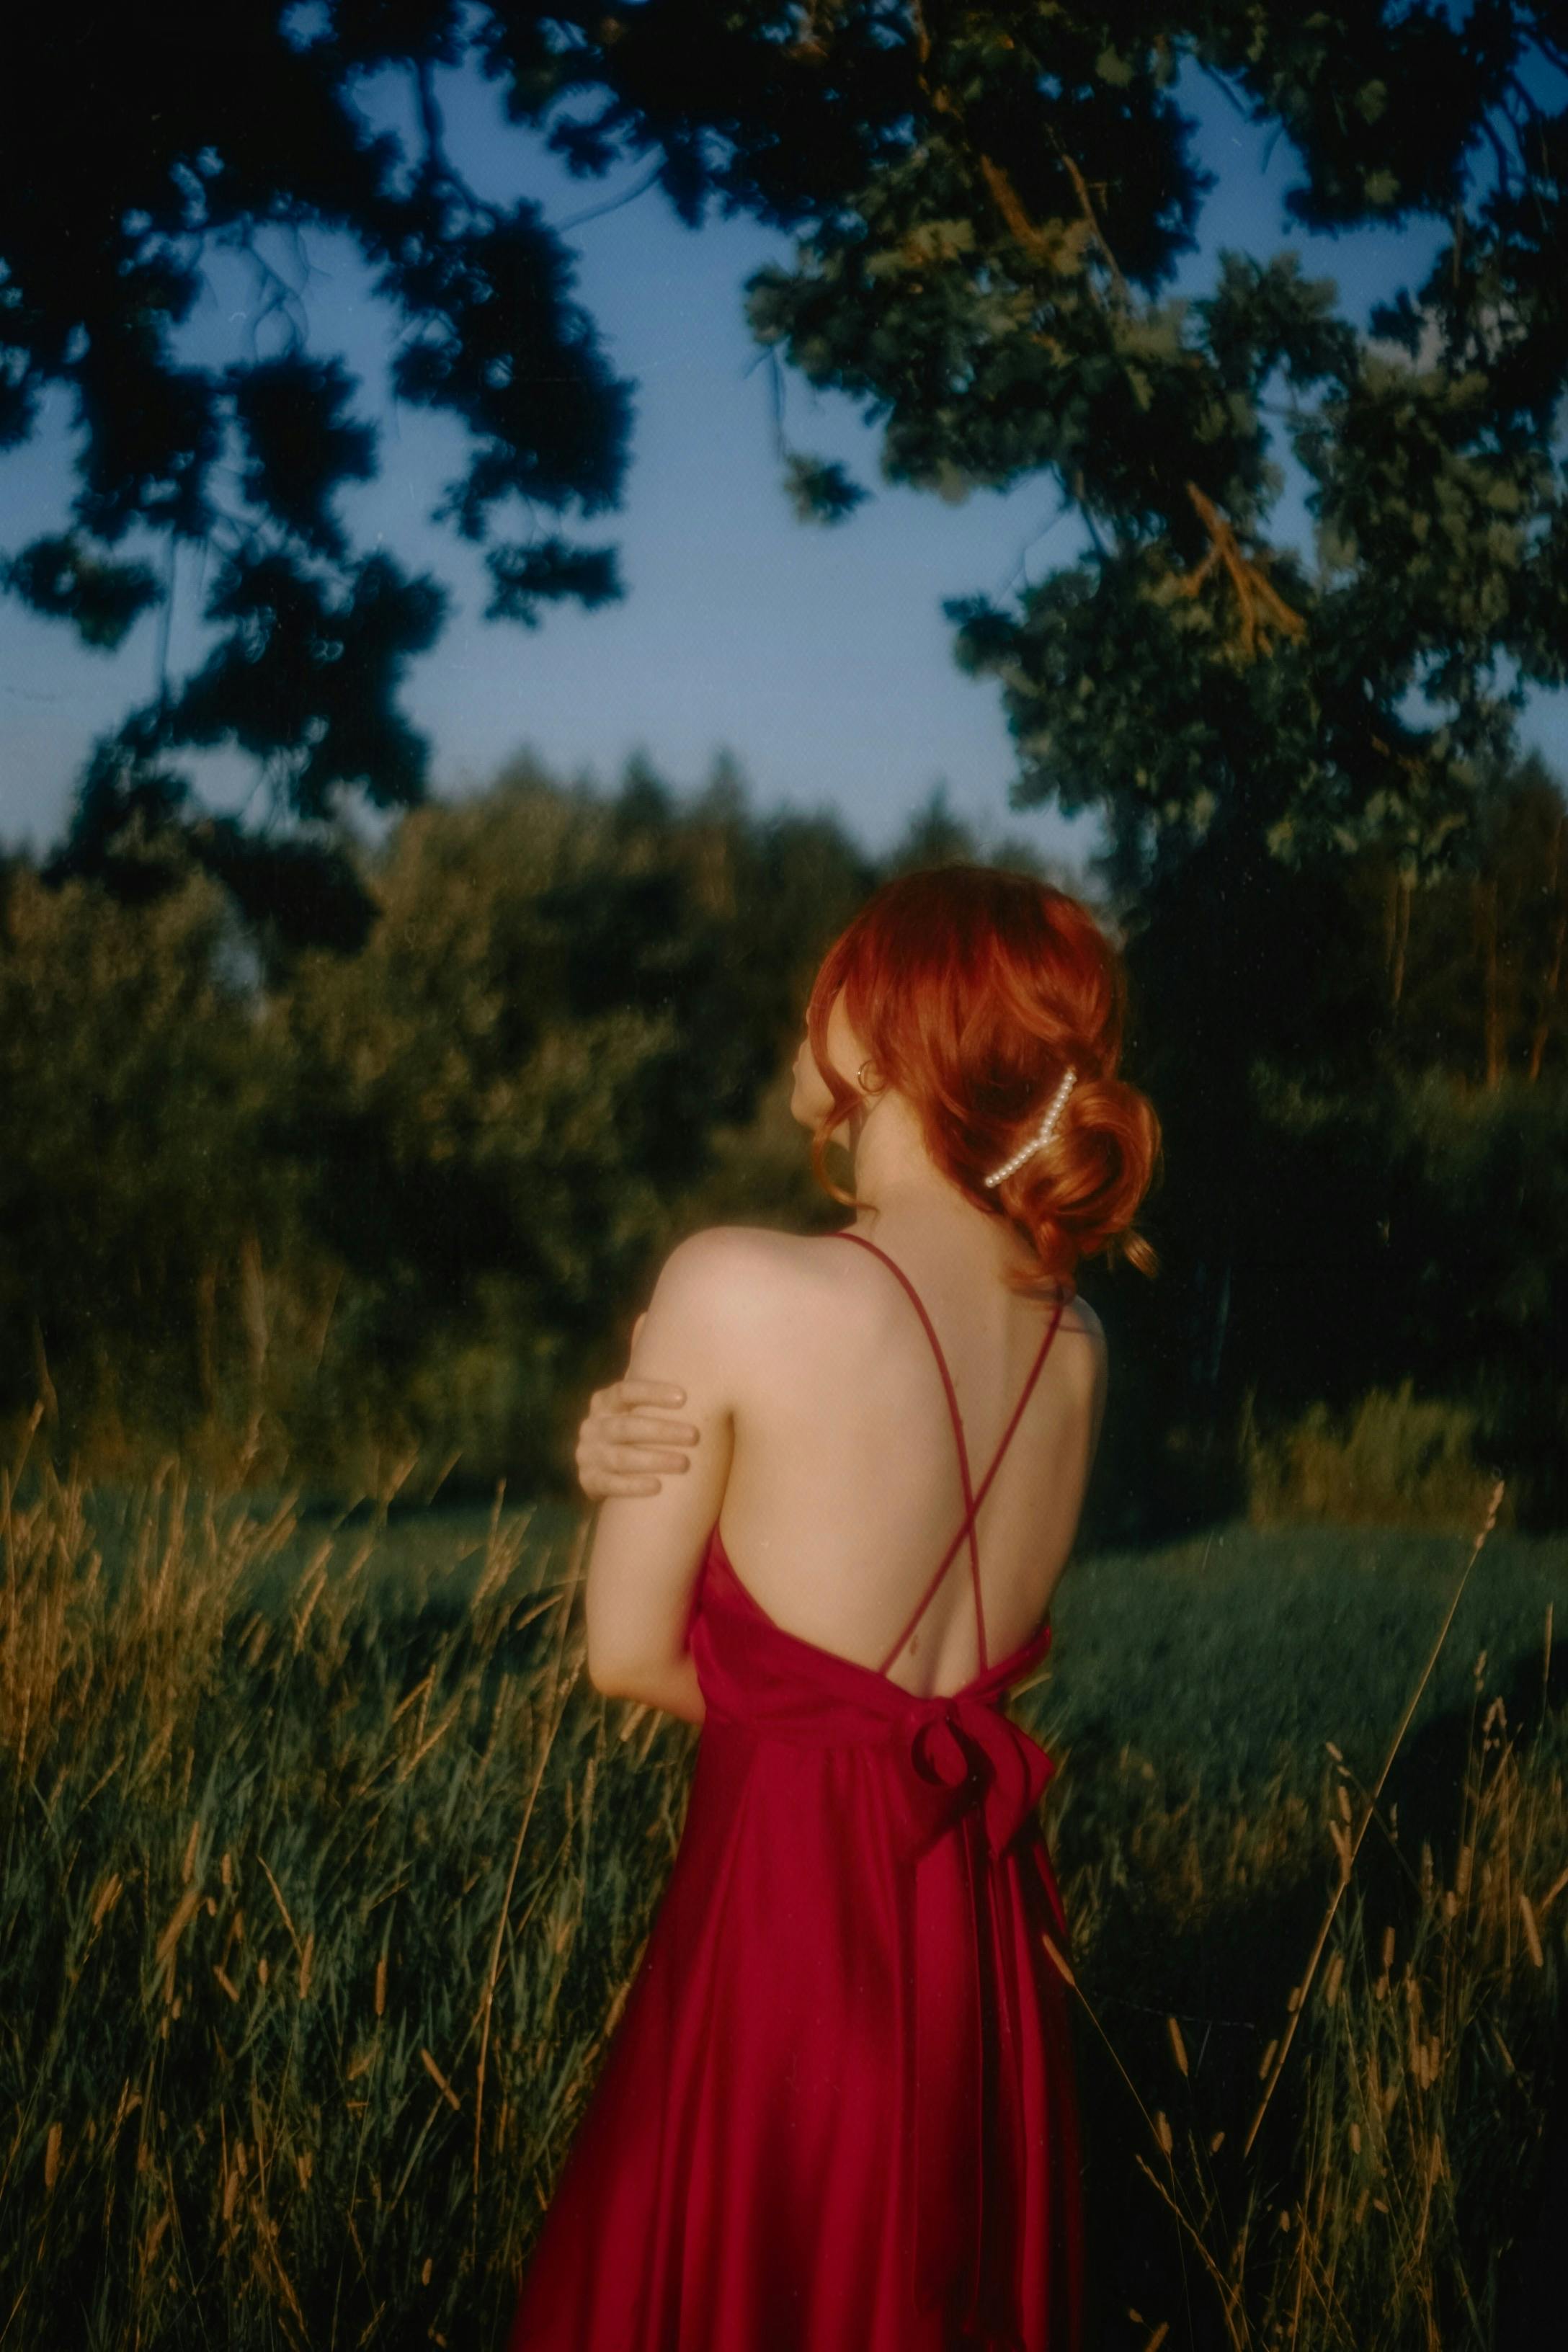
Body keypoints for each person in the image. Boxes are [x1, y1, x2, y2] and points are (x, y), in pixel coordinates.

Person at [507, 863, 1160, 2351]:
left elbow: (625, 1654)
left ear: (875, 1025)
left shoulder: (735, 1283)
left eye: (829, 980)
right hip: (977, 1943)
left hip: (786, 1936)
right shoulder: (1077, 1345)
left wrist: (620, 1470)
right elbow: (920, 1672)